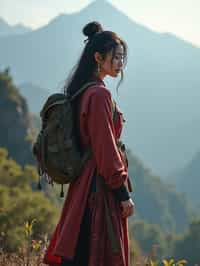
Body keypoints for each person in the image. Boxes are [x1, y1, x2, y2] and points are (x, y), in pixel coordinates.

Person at [43, 21, 135, 266]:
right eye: (115, 58)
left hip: (83, 184)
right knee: (97, 252)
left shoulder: (81, 90)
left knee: (80, 250)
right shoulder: (99, 95)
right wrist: (122, 193)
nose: (120, 64)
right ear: (97, 57)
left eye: (122, 58)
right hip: (98, 187)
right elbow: (105, 147)